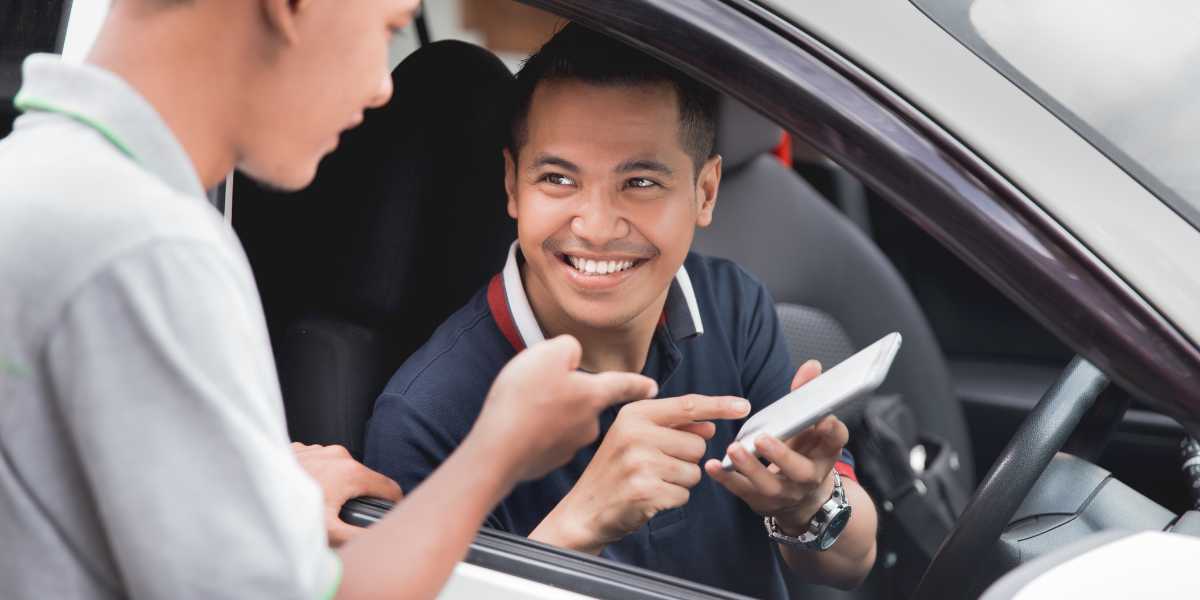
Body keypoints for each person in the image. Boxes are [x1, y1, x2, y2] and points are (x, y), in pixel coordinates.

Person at [0, 1, 658, 598]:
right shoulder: (145, 249)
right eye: (388, 28)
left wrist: (260, 495)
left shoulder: (47, 189)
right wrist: (498, 451)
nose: (382, 85)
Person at [365, 23, 879, 599]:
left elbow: (851, 562)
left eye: (639, 182)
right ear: (513, 184)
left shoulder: (735, 306)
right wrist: (584, 520)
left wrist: (806, 503)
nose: (596, 227)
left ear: (704, 192)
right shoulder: (425, 413)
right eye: (557, 179)